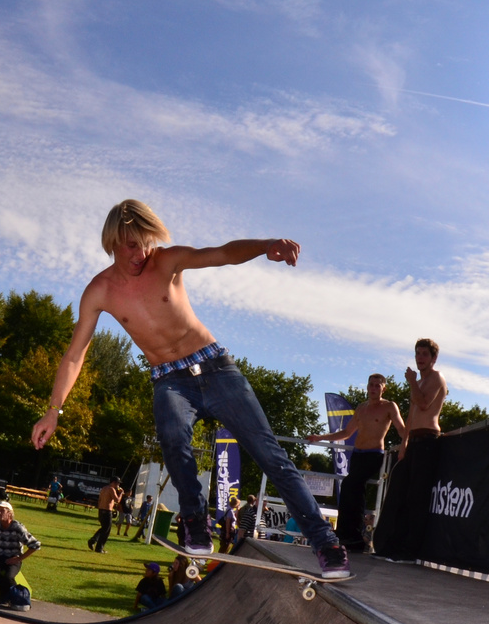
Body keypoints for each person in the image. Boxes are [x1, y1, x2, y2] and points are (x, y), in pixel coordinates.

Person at [31, 199, 348, 580]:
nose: (140, 254)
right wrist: (54, 409)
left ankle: (325, 543)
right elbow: (74, 354)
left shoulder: (165, 261)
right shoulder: (99, 291)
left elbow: (222, 254)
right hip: (170, 380)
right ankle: (196, 525)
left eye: (145, 243)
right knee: (172, 437)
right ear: (112, 241)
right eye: (131, 245)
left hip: (217, 369)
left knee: (271, 455)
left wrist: (265, 245)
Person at [306, 373, 408, 552]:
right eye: (371, 385)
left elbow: (401, 428)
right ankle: (345, 534)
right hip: (358, 454)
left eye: (378, 385)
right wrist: (320, 437)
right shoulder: (361, 408)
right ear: (367, 387)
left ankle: (354, 534)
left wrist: (405, 446)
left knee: (351, 484)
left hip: (374, 454)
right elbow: (345, 433)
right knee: (351, 488)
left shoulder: (389, 406)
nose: (374, 388)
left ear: (383, 388)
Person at [374, 339, 449, 560]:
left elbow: (424, 404)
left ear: (433, 358)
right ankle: (391, 546)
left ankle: (410, 550)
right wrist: (403, 444)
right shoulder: (421, 381)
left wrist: (412, 382)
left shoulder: (436, 378)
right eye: (417, 353)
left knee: (417, 497)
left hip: (428, 439)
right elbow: (411, 415)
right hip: (414, 441)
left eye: (424, 354)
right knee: (400, 495)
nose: (420, 358)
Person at [0, 501, 40, 609]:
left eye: (2, 511)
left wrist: (19, 558)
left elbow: (35, 545)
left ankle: (18, 596)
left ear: (9, 513)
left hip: (13, 557)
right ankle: (7, 596)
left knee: (8, 576)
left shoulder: (18, 528)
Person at [89, 479, 122, 553]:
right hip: (107, 511)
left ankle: (93, 540)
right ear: (113, 483)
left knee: (104, 528)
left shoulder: (104, 488)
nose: (118, 486)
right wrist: (121, 494)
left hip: (101, 510)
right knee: (106, 531)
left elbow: (100, 499)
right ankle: (99, 548)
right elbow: (117, 500)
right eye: (118, 484)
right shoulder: (112, 489)